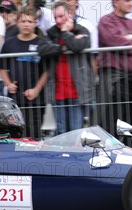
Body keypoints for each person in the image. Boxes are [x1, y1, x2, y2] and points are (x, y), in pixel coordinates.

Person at [97, 0, 132, 145]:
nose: (131, 3)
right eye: (127, 0)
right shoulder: (106, 21)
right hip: (114, 78)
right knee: (113, 119)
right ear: (116, 2)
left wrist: (131, 38)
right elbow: (115, 43)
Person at [38, 1, 94, 135]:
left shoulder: (81, 29)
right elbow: (42, 49)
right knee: (61, 133)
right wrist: (62, 48)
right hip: (58, 91)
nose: (58, 21)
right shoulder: (51, 32)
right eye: (55, 17)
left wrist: (65, 32)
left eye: (61, 16)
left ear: (70, 14)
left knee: (76, 132)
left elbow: (78, 45)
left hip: (77, 90)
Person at [0, 6, 48, 138]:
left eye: (30, 21)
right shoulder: (9, 43)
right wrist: (8, 84)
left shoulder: (42, 43)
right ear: (18, 22)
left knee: (34, 133)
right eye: (23, 21)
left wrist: (37, 89)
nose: (26, 24)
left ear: (35, 23)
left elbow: (47, 70)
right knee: (16, 133)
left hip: (36, 98)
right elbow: (2, 67)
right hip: (14, 99)